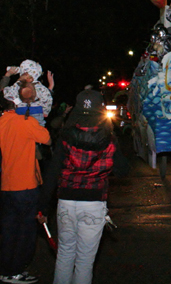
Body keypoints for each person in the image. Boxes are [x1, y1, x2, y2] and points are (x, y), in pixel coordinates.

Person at [40, 90, 116, 284]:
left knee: (64, 255)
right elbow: (123, 168)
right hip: (93, 202)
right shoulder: (108, 138)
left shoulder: (65, 136)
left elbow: (52, 172)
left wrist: (42, 206)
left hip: (66, 201)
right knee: (84, 261)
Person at [0, 90, 51, 284]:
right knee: (25, 232)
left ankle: (7, 269)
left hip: (8, 183)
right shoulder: (25, 122)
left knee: (9, 230)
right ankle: (16, 270)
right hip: (26, 184)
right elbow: (47, 138)